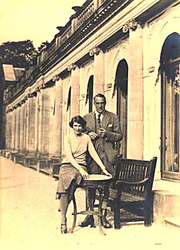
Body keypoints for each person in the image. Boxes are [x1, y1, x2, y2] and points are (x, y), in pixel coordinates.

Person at [56, 115, 111, 234]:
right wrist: (80, 170)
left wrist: (103, 168)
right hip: (68, 165)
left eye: (80, 126)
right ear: (72, 126)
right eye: (75, 126)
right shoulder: (67, 138)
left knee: (68, 188)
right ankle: (63, 220)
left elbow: (93, 154)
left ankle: (63, 204)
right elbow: (69, 157)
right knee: (66, 181)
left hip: (81, 167)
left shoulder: (86, 138)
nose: (77, 128)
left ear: (83, 126)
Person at [81, 93, 123, 228]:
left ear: (105, 103)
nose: (100, 106)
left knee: (106, 187)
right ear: (94, 104)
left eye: (102, 103)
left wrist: (108, 134)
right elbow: (78, 133)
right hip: (92, 160)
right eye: (98, 103)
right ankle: (90, 216)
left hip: (107, 159)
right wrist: (87, 134)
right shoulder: (86, 118)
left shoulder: (113, 117)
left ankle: (103, 217)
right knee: (90, 187)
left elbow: (120, 135)